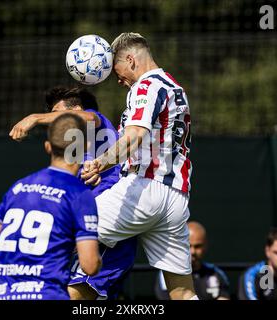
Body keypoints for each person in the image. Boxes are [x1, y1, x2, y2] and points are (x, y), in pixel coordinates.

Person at [0, 87, 137, 300]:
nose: (54, 120)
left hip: (112, 231)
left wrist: (34, 118)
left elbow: (86, 118)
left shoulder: (94, 120)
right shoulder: (77, 164)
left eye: (57, 113)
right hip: (103, 231)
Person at [80, 32, 195, 300]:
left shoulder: (145, 87)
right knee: (183, 292)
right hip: (176, 199)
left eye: (118, 72)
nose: (118, 80)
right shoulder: (176, 87)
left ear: (131, 60)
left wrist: (99, 163)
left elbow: (133, 138)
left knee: (63, 224)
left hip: (144, 192)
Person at [155, 221, 230, 300]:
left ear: (205, 245)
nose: (193, 251)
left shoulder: (216, 274)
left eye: (198, 246)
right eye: (188, 246)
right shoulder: (169, 274)